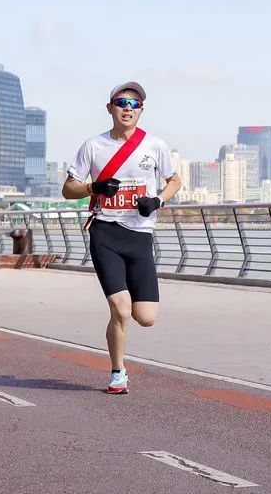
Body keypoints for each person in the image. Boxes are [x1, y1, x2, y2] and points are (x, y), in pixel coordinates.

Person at [63, 82, 181, 394]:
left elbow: (174, 180)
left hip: (140, 235)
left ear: (141, 110)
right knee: (120, 308)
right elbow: (68, 189)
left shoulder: (155, 145)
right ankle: (118, 372)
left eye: (135, 104)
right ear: (110, 108)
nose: (128, 108)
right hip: (105, 232)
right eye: (121, 102)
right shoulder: (93, 146)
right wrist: (94, 187)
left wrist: (157, 201)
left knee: (146, 317)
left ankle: (125, 323)